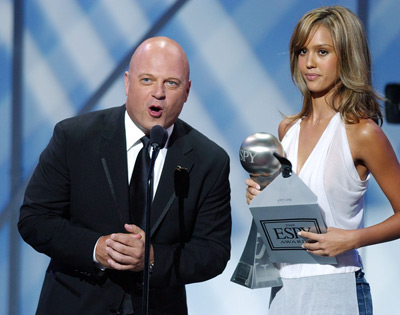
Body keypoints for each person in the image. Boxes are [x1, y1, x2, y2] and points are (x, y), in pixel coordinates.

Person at [18, 36, 231, 315]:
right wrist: (96, 248)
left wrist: (153, 258)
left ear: (187, 90)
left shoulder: (208, 161)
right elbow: (35, 219)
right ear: (127, 83)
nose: (159, 93)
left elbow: (213, 252)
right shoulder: (74, 138)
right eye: (147, 80)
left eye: (171, 83)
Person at [245, 6, 400, 315]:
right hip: (284, 289)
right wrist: (260, 200)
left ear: (345, 55)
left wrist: (352, 239)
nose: (310, 63)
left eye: (322, 51)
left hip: (337, 287)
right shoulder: (287, 130)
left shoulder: (361, 132)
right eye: (303, 51)